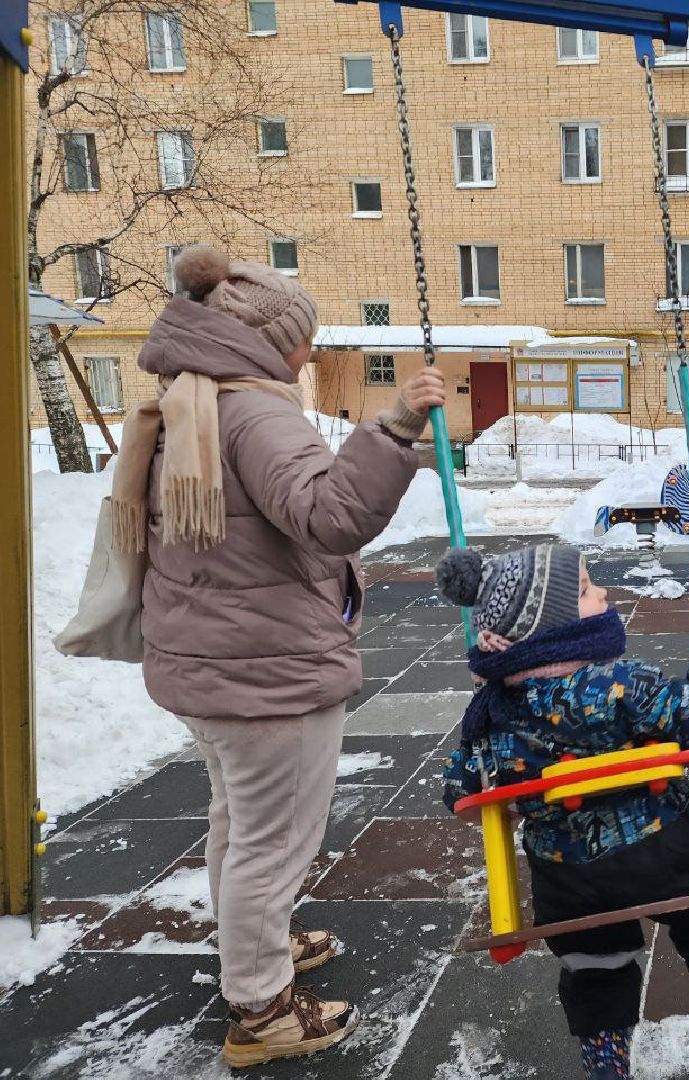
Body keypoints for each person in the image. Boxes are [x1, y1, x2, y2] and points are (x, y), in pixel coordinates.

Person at [111, 245, 445, 1068]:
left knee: (240, 826)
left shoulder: (191, 402)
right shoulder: (256, 412)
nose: (310, 354)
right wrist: (397, 426)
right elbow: (328, 517)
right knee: (273, 843)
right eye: (304, 340)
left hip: (212, 662)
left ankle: (251, 956)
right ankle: (261, 1011)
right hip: (266, 672)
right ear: (266, 344)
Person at [436, 543, 689, 1080]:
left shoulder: (492, 715)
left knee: (591, 961)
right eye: (583, 589)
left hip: (570, 883)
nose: (601, 592)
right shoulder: (625, 685)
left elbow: (460, 789)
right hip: (668, 853)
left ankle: (606, 1067)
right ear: (550, 628)